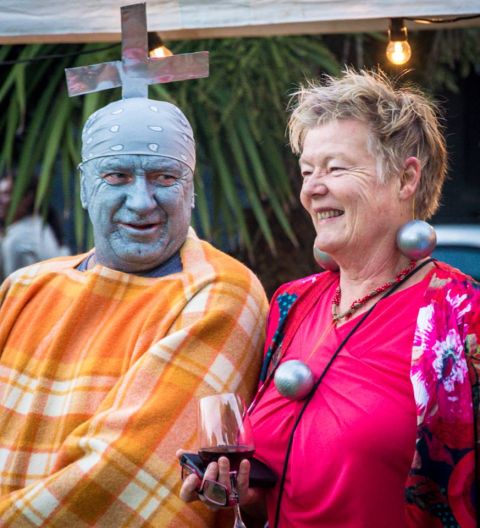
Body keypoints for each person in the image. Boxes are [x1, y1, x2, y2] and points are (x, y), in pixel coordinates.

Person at [180, 69, 480, 527]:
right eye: (306, 171)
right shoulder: (291, 305)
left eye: (335, 168)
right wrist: (240, 492)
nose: (312, 188)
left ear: (406, 179)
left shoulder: (460, 314)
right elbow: (279, 491)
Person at [0, 97, 268, 526]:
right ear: (85, 187)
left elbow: (120, 473)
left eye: (164, 176)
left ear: (191, 188)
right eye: (117, 176)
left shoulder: (220, 294)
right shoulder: (25, 288)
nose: (142, 201)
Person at [0, 173, 70, 281]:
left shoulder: (18, 237)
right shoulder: (39, 224)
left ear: (28, 198)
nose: (1, 200)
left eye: (7, 194)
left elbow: (12, 289)